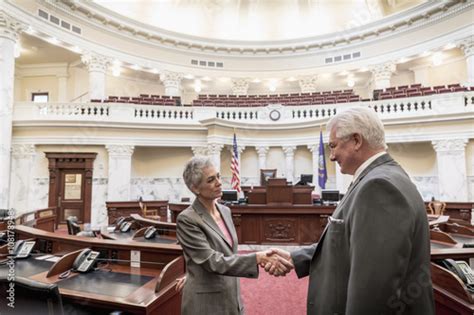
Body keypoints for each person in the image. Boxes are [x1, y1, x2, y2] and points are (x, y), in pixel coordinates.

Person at [266, 107, 435, 314]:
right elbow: (348, 242)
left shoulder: (379, 187)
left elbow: (374, 290)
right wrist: (296, 257)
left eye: (334, 146)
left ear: (356, 141)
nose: (332, 156)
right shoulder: (380, 177)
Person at [176, 156, 293, 315]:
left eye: (218, 176)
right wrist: (257, 258)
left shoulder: (225, 211)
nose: (218, 182)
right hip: (205, 304)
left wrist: (193, 273)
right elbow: (212, 261)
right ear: (195, 188)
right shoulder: (187, 219)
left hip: (231, 296)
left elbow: (228, 253)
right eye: (211, 180)